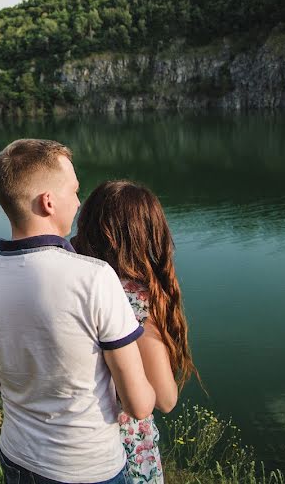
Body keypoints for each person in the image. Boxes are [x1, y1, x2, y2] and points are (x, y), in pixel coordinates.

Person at [0, 139, 156, 484]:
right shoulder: (94, 277)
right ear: (48, 202)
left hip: (18, 458)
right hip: (88, 467)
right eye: (74, 190)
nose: (79, 202)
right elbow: (139, 405)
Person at [72, 180, 201, 484]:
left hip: (60, 446)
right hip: (121, 451)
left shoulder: (66, 278)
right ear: (146, 235)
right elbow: (166, 399)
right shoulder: (135, 300)